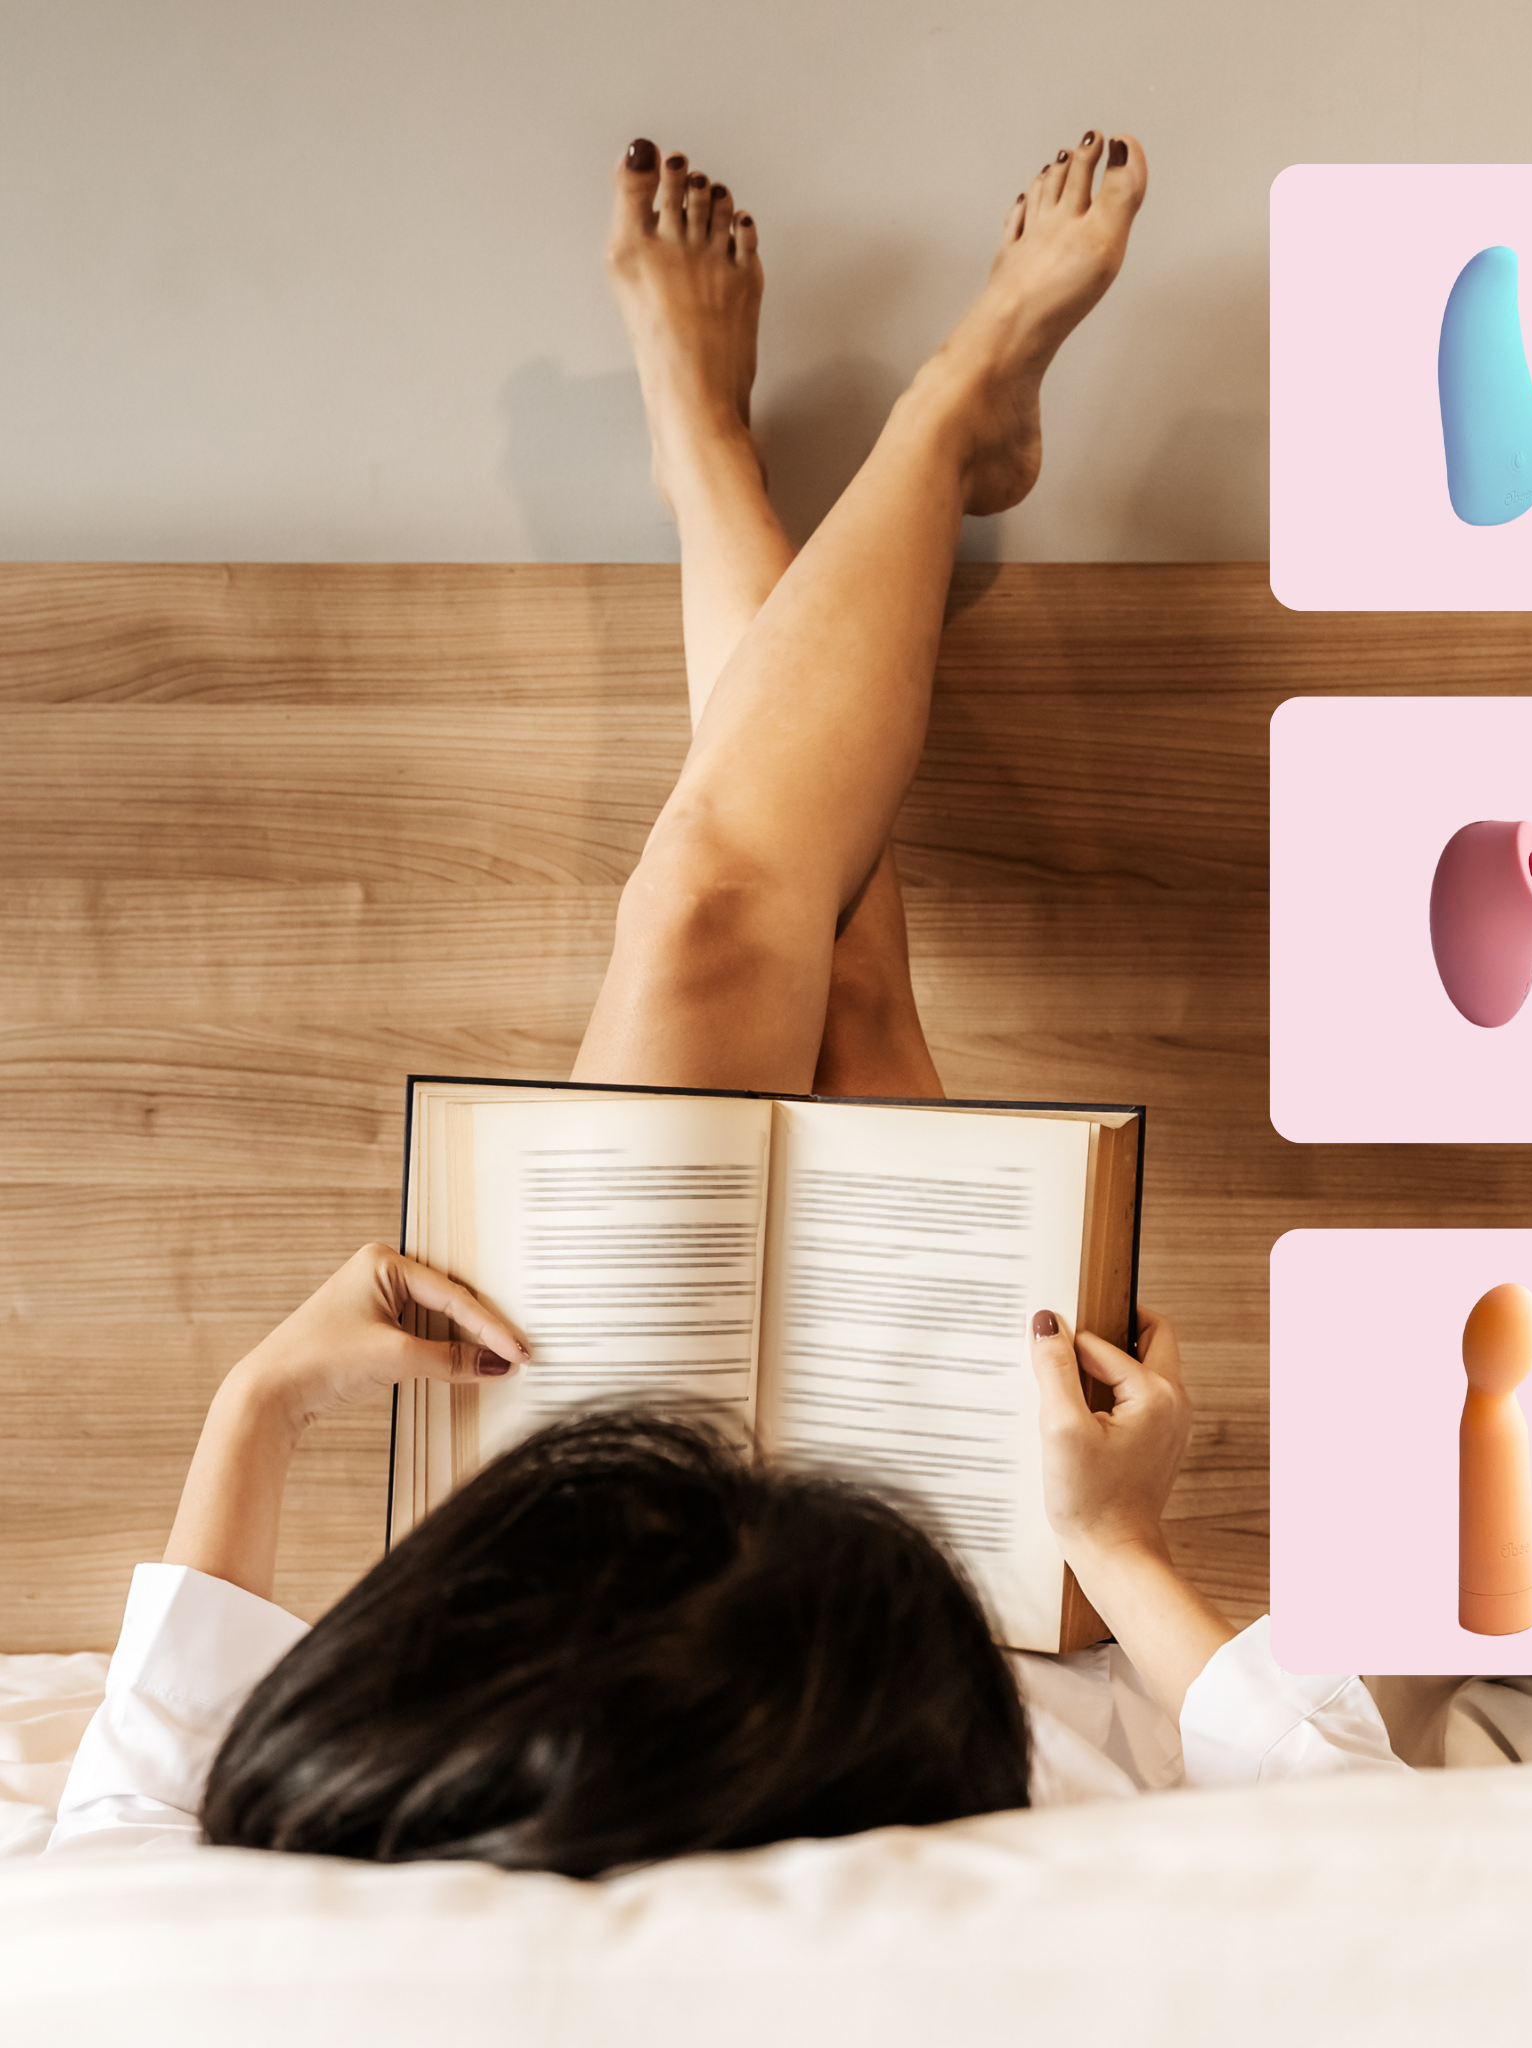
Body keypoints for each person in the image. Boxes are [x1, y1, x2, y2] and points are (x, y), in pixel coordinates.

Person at [46, 132, 1402, 1872]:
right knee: (846, 994)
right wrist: (1116, 1544)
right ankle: (911, 423)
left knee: (716, 925)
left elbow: (129, 1823)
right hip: (908, 1629)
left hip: (568, 1599)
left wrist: (263, 1397)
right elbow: (1369, 1838)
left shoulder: (269, 1936)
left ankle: (772, 444)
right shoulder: (972, 1885)